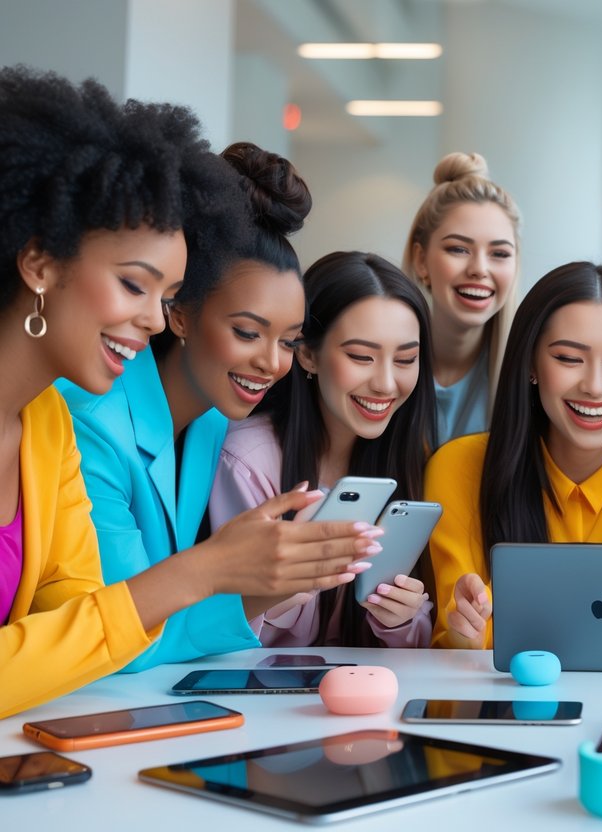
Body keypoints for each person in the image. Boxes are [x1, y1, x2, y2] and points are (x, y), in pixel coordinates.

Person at [0, 68, 372, 717]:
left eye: (165, 296)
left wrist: (245, 576)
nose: (150, 320)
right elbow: (94, 633)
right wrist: (207, 569)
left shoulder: (48, 426)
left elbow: (87, 628)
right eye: (134, 285)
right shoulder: (84, 419)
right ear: (39, 262)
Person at [58, 141, 382, 672]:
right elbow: (120, 636)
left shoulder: (211, 419)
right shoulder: (92, 426)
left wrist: (279, 580)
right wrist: (235, 570)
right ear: (180, 313)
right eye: (248, 332)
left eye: (288, 340)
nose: (272, 363)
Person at [426, 262, 602, 648]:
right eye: (569, 359)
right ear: (530, 364)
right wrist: (464, 632)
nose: (594, 386)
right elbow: (457, 644)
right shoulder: (459, 467)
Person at [209, 251, 437, 647]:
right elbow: (218, 629)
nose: (386, 384)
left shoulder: (407, 456)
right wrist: (279, 594)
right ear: (308, 354)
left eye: (406, 359)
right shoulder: (249, 461)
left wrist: (403, 620)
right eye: (361, 356)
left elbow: (410, 651)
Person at [402, 152, 520, 445]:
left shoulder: (529, 376)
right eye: (458, 249)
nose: (480, 269)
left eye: (500, 254)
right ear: (421, 260)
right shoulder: (380, 368)